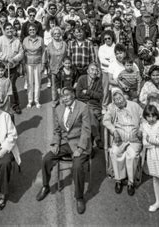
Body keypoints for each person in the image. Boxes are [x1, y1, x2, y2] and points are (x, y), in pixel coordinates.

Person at [36, 87, 91, 215]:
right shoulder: (59, 109)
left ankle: (79, 197)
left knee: (77, 166)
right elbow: (57, 130)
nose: (65, 98)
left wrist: (81, 148)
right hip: (65, 143)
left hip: (78, 144)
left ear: (73, 94)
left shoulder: (83, 107)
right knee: (46, 159)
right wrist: (55, 143)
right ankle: (45, 186)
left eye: (67, 95)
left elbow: (86, 130)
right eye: (62, 96)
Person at [103, 89, 143, 196]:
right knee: (115, 152)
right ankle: (118, 179)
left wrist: (141, 130)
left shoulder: (134, 105)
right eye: (116, 99)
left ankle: (131, 181)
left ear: (124, 97)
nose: (119, 101)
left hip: (134, 139)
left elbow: (143, 118)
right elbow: (106, 120)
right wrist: (113, 130)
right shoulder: (112, 108)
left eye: (120, 98)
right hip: (119, 139)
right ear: (113, 101)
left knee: (133, 155)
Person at [0, 23, 24, 114]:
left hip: (12, 67)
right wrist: (6, 58)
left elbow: (21, 53)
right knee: (0, 86)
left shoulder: (17, 41)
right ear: (4, 30)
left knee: (12, 86)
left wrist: (13, 60)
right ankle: (1, 104)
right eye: (7, 29)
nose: (9, 30)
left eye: (11, 29)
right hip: (1, 69)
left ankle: (15, 105)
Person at [76, 63, 104, 148]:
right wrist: (92, 96)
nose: (94, 72)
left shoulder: (99, 81)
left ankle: (93, 141)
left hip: (94, 105)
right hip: (82, 104)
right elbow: (78, 94)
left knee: (93, 114)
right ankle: (97, 138)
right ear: (88, 71)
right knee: (89, 111)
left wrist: (88, 92)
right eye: (92, 69)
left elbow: (99, 95)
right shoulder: (82, 79)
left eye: (96, 70)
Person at [43, 26, 68, 104]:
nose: (57, 35)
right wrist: (44, 67)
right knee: (54, 86)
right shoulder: (49, 46)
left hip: (63, 68)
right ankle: (55, 100)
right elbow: (45, 57)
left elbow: (67, 55)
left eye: (58, 33)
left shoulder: (64, 44)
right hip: (53, 68)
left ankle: (63, 99)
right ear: (52, 35)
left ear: (60, 34)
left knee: (63, 85)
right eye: (55, 33)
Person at [23, 23, 45, 108]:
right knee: (29, 83)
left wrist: (43, 64)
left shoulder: (40, 39)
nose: (32, 31)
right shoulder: (25, 40)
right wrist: (23, 64)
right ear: (28, 31)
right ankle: (30, 100)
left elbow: (43, 52)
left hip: (38, 63)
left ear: (36, 30)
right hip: (28, 63)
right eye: (30, 30)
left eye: (33, 29)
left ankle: (36, 100)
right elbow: (23, 52)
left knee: (37, 83)